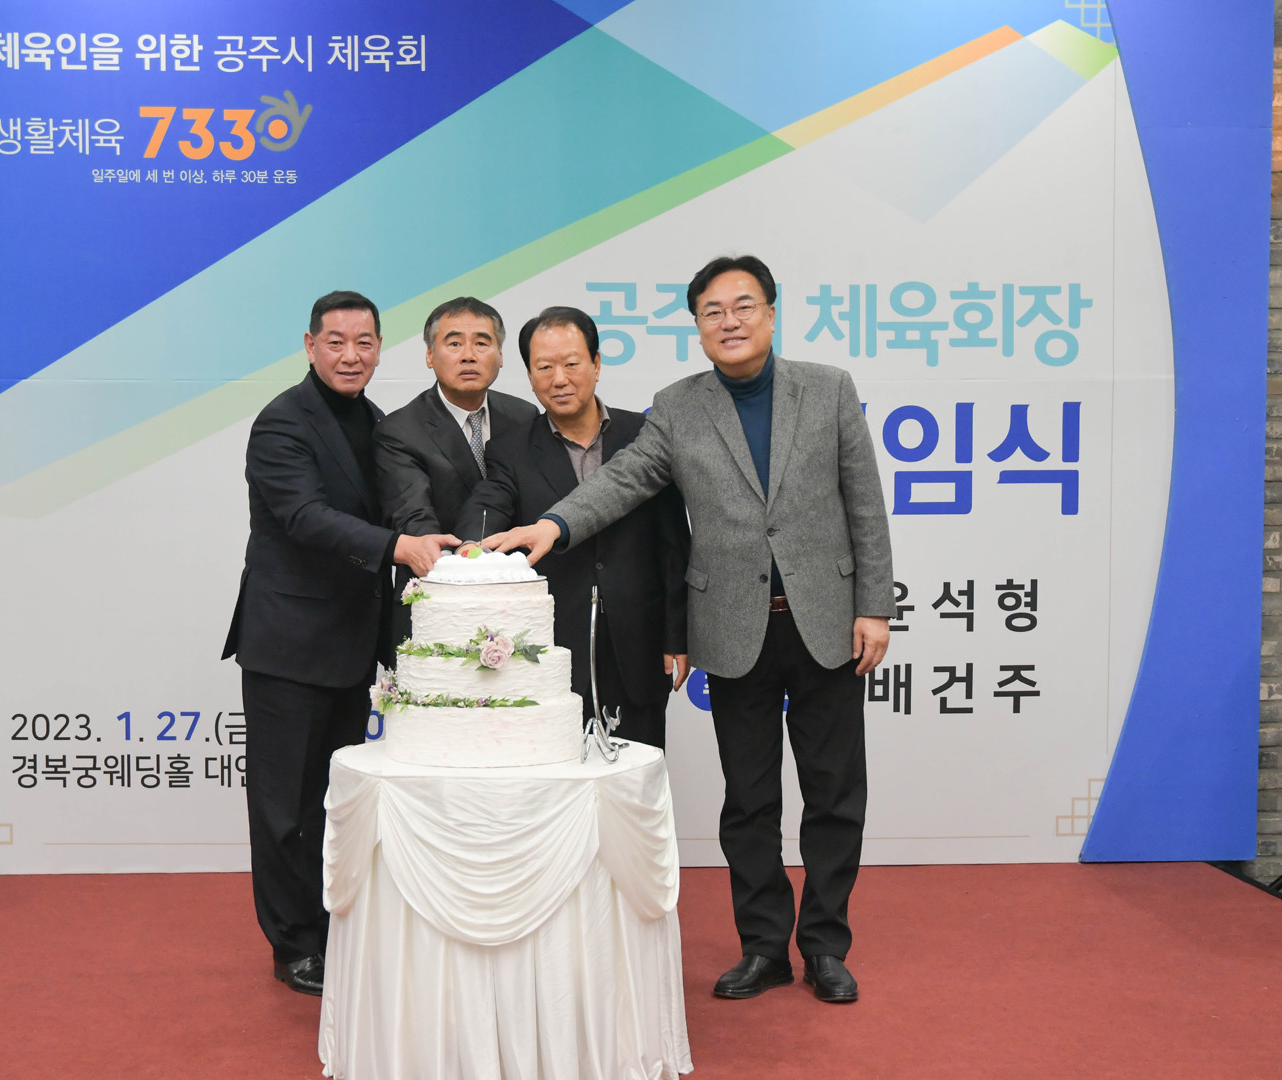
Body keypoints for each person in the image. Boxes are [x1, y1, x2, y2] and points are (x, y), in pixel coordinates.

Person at [485, 256, 895, 1005]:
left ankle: (825, 946)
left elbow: (864, 502)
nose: (729, 322)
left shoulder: (829, 388)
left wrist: (874, 605)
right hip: (733, 628)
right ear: (698, 326)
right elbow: (623, 479)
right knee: (749, 800)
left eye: (743, 306)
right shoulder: (676, 407)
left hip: (827, 623)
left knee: (834, 794)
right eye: (713, 311)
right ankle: (764, 947)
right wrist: (554, 525)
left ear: (771, 313)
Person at [221, 290, 457, 996]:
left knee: (336, 802)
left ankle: (333, 930)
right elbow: (305, 516)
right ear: (310, 345)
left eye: (364, 342)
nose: (351, 355)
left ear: (380, 348)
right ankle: (292, 944)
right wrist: (400, 547)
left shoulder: (378, 422)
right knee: (284, 809)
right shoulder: (282, 422)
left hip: (351, 647)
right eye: (336, 342)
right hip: (288, 647)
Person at [455, 306, 689, 748]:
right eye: (544, 367)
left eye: (571, 364)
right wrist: (470, 544)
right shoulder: (511, 449)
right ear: (529, 376)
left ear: (596, 364)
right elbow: (489, 501)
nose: (559, 379)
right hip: (552, 650)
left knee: (634, 775)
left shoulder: (646, 435)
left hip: (638, 645)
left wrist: (677, 634)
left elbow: (674, 544)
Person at [374, 296, 537, 648]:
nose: (468, 355)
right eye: (454, 343)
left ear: (501, 355)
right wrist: (464, 568)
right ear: (430, 355)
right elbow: (415, 520)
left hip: (517, 610)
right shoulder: (400, 430)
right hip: (437, 603)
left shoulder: (525, 417)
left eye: (482, 343)